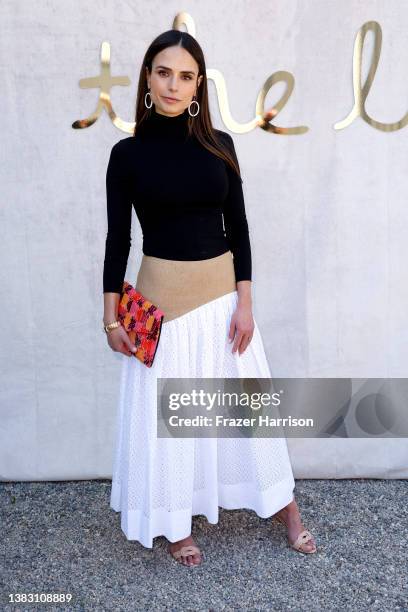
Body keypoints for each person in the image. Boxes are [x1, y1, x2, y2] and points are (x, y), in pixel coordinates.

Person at [102, 29, 317, 566]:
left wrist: (246, 303)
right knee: (174, 420)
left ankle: (285, 507)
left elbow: (240, 232)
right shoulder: (126, 155)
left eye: (186, 76)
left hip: (224, 303)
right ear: (148, 80)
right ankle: (176, 523)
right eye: (163, 72)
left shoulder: (221, 145)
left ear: (198, 86)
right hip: (162, 310)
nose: (174, 85)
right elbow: (117, 239)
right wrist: (110, 320)